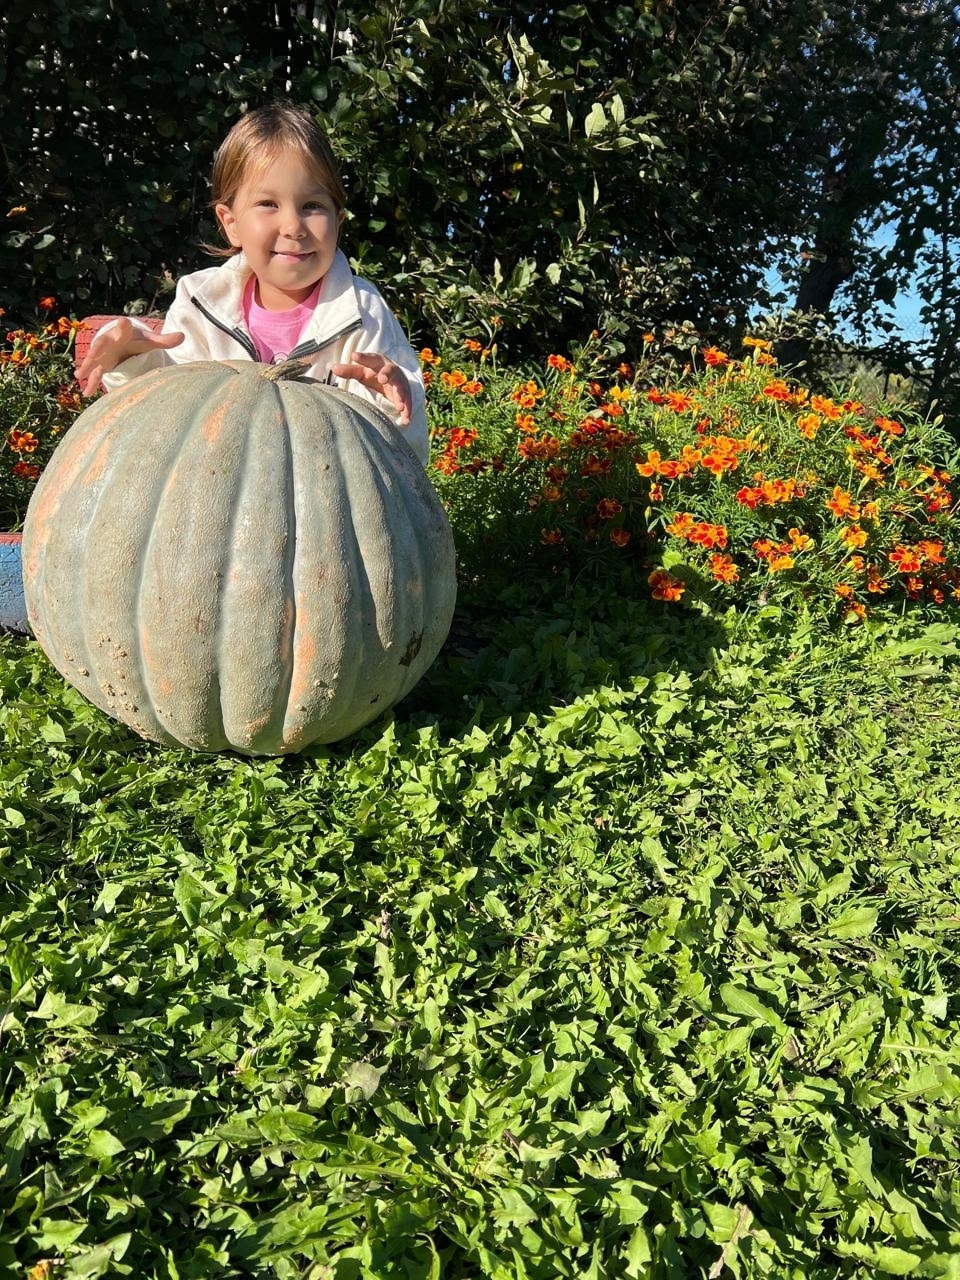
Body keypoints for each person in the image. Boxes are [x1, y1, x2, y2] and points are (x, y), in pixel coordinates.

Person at [76, 103, 429, 465]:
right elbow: (163, 415)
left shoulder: (361, 313)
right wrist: (132, 358)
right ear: (230, 223)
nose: (293, 226)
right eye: (268, 203)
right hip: (215, 493)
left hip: (323, 505)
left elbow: (406, 459)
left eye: (312, 206)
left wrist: (392, 404)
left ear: (338, 220)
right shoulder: (201, 303)